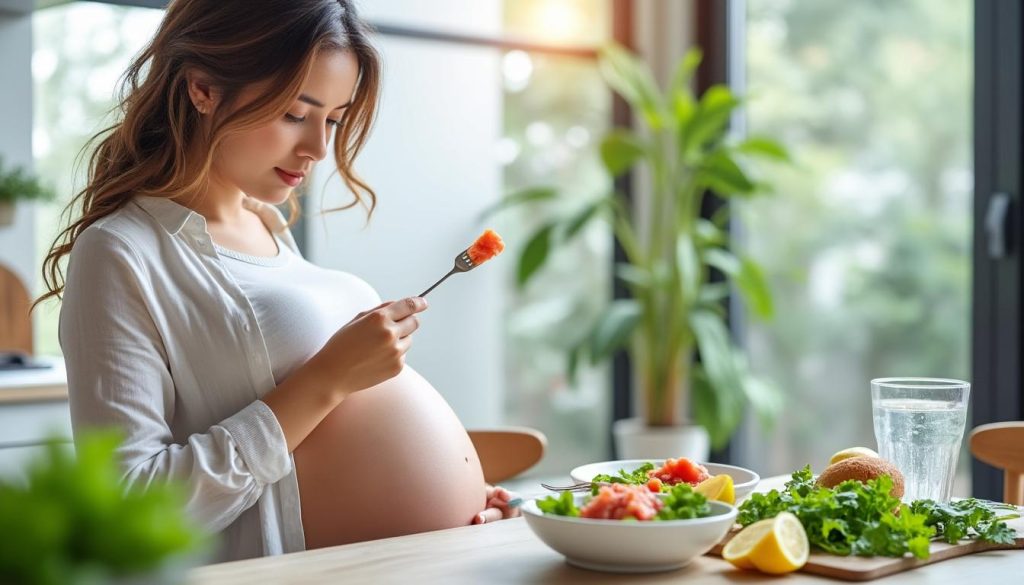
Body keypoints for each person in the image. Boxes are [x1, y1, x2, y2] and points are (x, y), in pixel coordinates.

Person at [37, 0, 517, 563]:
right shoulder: (122, 252)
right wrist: (326, 380)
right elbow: (127, 509)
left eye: (333, 120)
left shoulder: (269, 230)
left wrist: (461, 495)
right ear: (203, 90)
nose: (318, 148)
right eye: (295, 113)